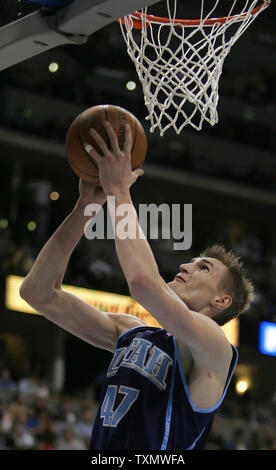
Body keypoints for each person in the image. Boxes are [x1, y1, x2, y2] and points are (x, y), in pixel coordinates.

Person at [20, 122, 254, 450]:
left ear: (221, 300)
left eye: (203, 267)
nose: (186, 266)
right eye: (192, 261)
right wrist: (85, 208)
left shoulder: (215, 349)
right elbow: (38, 293)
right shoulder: (131, 333)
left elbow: (144, 284)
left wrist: (118, 190)